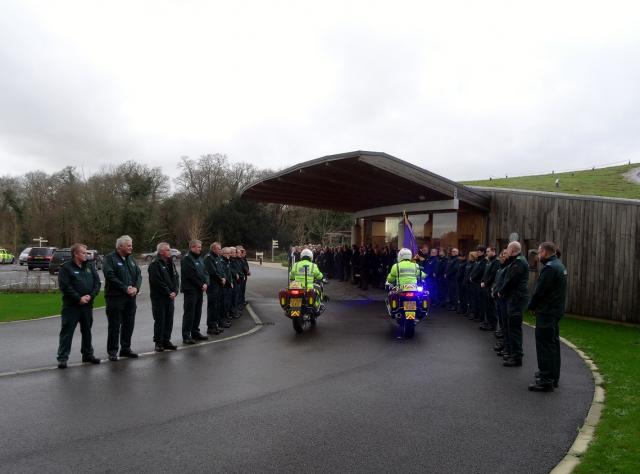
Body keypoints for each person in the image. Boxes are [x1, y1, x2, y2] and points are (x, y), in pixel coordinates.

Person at [528, 241, 567, 392]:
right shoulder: (559, 265)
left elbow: (540, 291)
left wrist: (532, 306)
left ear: (544, 252)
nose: (538, 255)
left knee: (544, 346)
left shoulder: (550, 269)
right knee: (552, 345)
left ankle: (546, 379)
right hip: (554, 311)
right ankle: (552, 376)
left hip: (547, 312)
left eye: (539, 252)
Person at [56, 243, 101, 368]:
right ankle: (63, 358)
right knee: (67, 331)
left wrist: (90, 296)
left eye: (86, 252)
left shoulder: (90, 266)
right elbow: (65, 286)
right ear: (75, 254)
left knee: (87, 331)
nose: (86, 255)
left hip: (87, 305)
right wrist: (78, 298)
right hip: (72, 306)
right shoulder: (66, 268)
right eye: (83, 252)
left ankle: (87, 354)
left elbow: (97, 283)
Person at [103, 235, 142, 361]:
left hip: (131, 298)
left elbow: (139, 274)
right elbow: (110, 276)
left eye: (131, 245)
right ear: (120, 246)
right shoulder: (110, 258)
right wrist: (125, 288)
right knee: (114, 325)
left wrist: (136, 288)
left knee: (129, 324)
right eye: (129, 245)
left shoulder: (131, 259)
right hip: (115, 298)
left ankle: (126, 348)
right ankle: (112, 351)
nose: (131, 247)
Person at [496, 241, 529, 367]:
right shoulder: (515, 262)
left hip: (516, 299)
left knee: (514, 329)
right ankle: (512, 353)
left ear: (513, 250)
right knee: (511, 327)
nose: (506, 252)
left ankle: (516, 357)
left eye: (508, 250)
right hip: (513, 298)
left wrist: (501, 291)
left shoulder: (519, 263)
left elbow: (511, 281)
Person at [148, 242, 179, 351]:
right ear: (161, 252)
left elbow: (176, 277)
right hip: (159, 297)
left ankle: (166, 340)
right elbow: (157, 281)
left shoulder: (170, 263)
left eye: (169, 249)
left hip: (170, 297)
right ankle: (158, 342)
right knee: (160, 320)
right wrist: (168, 292)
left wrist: (175, 291)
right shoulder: (155, 264)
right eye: (167, 250)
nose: (170, 251)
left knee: (169, 319)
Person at [180, 239, 209, 344]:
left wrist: (206, 283)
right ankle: (186, 335)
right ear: (192, 247)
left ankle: (195, 332)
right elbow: (191, 275)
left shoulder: (200, 259)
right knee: (189, 313)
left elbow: (205, 272)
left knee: (198, 312)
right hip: (190, 290)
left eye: (200, 247)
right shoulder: (187, 259)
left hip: (199, 290)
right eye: (198, 247)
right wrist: (202, 284)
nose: (200, 249)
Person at [204, 242, 227, 335]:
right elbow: (212, 271)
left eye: (221, 249)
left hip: (219, 285)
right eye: (219, 249)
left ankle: (215, 325)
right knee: (212, 307)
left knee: (217, 305)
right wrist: (220, 279)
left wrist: (224, 277)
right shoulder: (209, 257)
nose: (220, 250)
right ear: (213, 249)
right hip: (213, 285)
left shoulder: (217, 257)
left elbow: (221, 270)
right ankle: (211, 327)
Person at [480, 247, 499, 331]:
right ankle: (487, 323)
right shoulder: (489, 261)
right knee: (487, 306)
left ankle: (493, 325)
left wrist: (486, 283)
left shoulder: (496, 262)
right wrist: (482, 281)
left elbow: (493, 275)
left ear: (493, 251)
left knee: (491, 307)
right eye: (486, 251)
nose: (486, 253)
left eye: (488, 251)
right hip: (485, 287)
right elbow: (485, 273)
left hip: (490, 287)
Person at [469, 246, 487, 321]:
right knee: (475, 299)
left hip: (479, 283)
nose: (477, 253)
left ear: (483, 252)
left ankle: (481, 316)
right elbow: (474, 270)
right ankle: (475, 314)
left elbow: (480, 271)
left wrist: (473, 278)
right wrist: (471, 276)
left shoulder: (484, 261)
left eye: (479, 251)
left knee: (480, 301)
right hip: (474, 283)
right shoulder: (477, 261)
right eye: (477, 251)